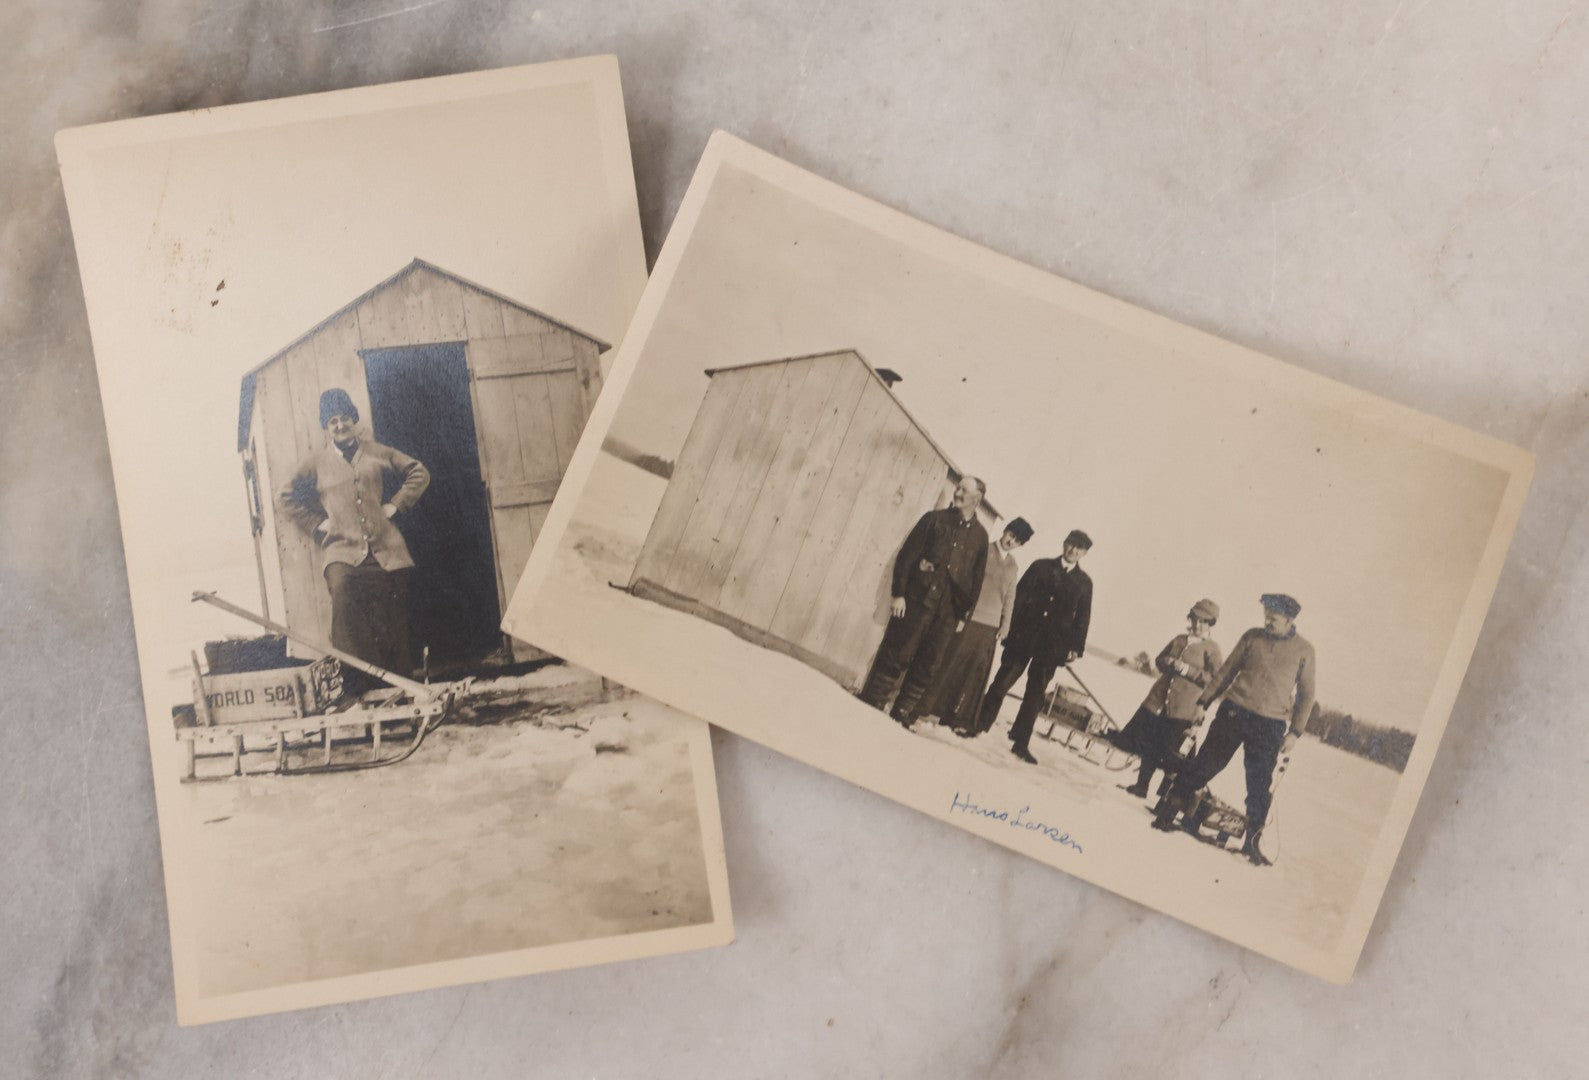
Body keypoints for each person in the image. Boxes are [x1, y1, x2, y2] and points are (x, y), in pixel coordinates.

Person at [277, 388, 430, 698]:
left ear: (354, 419)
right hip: (343, 552)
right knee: (344, 595)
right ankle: (358, 688)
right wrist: (316, 524)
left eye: (344, 418)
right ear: (325, 427)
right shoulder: (316, 462)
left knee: (396, 606)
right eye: (332, 421)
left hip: (386, 549)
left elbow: (418, 472)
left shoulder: (378, 452)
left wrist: (396, 505)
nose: (339, 425)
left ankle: (401, 687)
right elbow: (284, 496)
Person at [1152, 593, 1317, 867]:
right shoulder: (1252, 636)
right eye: (1265, 615)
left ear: (1289, 620)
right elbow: (1226, 670)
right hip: (1234, 713)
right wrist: (1203, 702)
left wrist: (1295, 732)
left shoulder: (1304, 651)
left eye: (1273, 618)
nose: (1267, 621)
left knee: (1259, 785)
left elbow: (1307, 695)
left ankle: (1251, 844)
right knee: (1204, 765)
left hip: (1269, 725)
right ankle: (1167, 813)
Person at [858, 476, 990, 729]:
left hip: (948, 612)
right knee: (899, 651)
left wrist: (964, 616)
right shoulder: (934, 519)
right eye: (958, 486)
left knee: (928, 663)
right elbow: (907, 556)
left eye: (965, 489)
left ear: (977, 499)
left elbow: (976, 579)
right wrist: (899, 594)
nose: (958, 492)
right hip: (917, 602)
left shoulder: (980, 537)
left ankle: (903, 712)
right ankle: (873, 701)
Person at [977, 529, 1094, 764]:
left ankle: (1020, 742)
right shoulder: (1040, 566)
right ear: (1064, 544)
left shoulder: (1084, 583)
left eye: (1078, 549)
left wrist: (1075, 648)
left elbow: (1083, 617)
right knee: (1002, 682)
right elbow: (1018, 598)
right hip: (1023, 638)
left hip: (1051, 648)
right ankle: (979, 725)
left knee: (1036, 695)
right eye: (1070, 545)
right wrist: (1008, 627)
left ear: (1084, 554)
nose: (1072, 551)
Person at [921, 517, 1034, 736]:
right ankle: (930, 709)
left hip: (990, 627)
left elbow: (1010, 597)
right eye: (1011, 535)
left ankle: (955, 717)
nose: (1011, 541)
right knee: (950, 663)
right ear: (1005, 531)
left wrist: (1005, 625)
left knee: (972, 674)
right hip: (971, 619)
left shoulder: (1013, 566)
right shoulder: (984, 551)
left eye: (1017, 541)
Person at [1116, 600, 1223, 798]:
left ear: (1211, 624)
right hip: (1159, 702)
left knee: (1175, 754)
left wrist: (1187, 669)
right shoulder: (1179, 639)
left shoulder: (1212, 649)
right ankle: (1141, 786)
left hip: (1184, 708)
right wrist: (1168, 662)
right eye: (1194, 619)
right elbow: (1159, 660)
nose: (1197, 625)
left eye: (1203, 622)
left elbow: (1216, 679)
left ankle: (1165, 796)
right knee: (1150, 745)